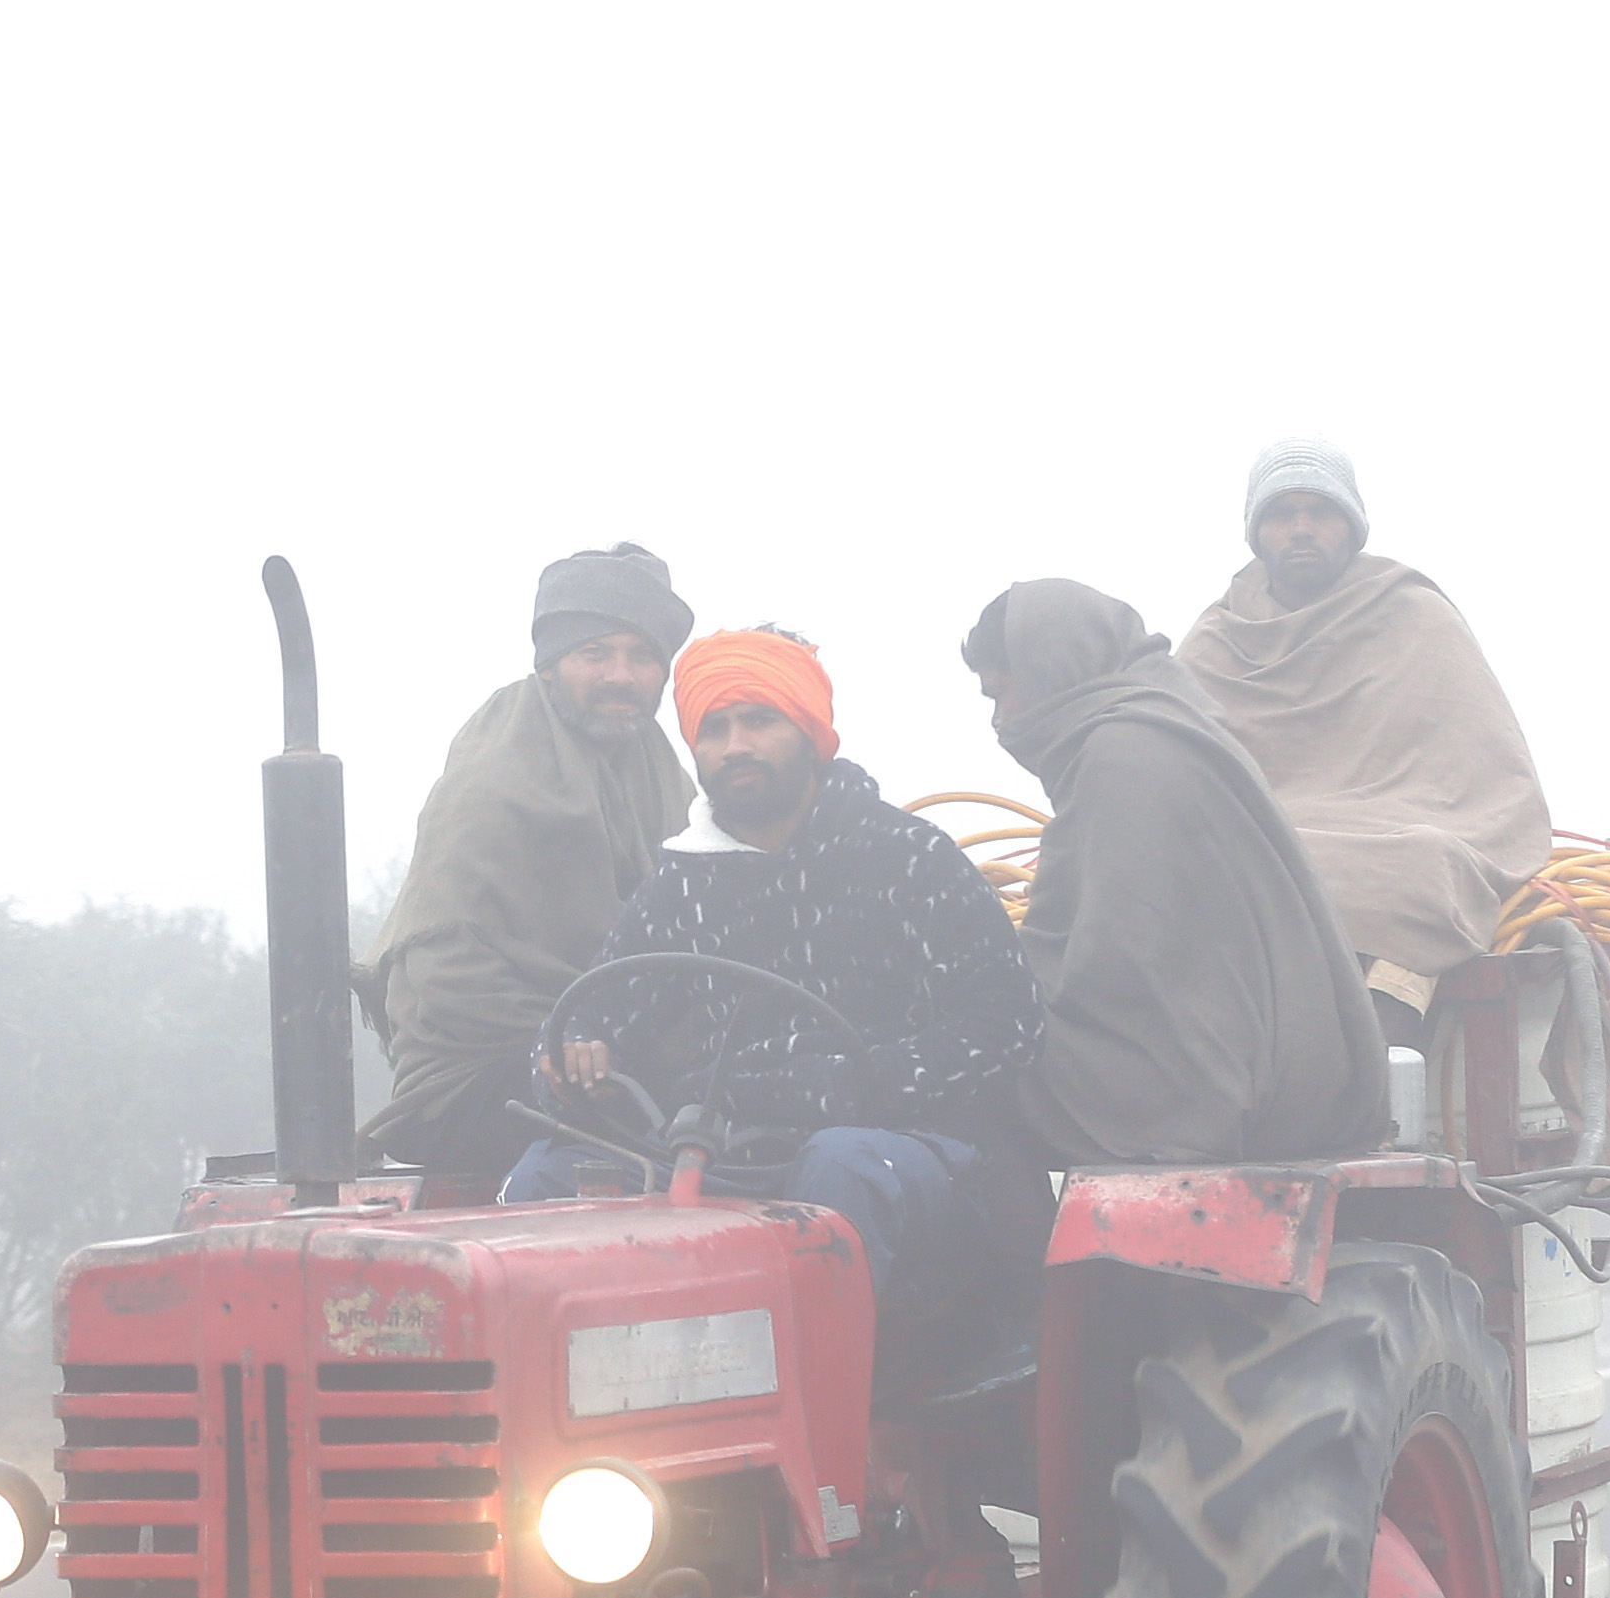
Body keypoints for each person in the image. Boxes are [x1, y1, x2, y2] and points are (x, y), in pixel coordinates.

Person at [505, 626, 1035, 1318]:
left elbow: (1007, 1024)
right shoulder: (684, 881)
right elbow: (598, 1014)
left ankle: (821, 1410)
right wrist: (568, 1067)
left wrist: (845, 1087)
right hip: (738, 1156)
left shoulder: (907, 856)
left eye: (759, 720)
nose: (736, 746)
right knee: (547, 1175)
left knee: (837, 1167)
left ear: (810, 732)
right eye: (714, 727)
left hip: (912, 1156)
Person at [965, 579, 1393, 1166]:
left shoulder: (1120, 758)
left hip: (1192, 1091)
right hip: (1284, 1075)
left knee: (969, 1069)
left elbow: (1111, 971)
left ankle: (1004, 1258)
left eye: (1000, 694)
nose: (999, 720)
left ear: (1050, 670)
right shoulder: (1173, 727)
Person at [1174, 440, 1550, 1043]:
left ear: (1350, 524)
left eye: (1319, 511)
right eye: (1282, 514)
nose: (1301, 529)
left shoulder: (1413, 614)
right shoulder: (1217, 639)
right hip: (1258, 838)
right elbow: (1178, 776)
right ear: (1256, 532)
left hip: (1394, 836)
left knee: (1427, 867)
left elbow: (1487, 780)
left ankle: (1380, 1063)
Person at [357, 541, 701, 1177]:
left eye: (642, 656)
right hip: (477, 1076)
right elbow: (450, 980)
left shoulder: (659, 771)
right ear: (549, 664)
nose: (620, 676)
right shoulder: (497, 774)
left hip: (617, 1052)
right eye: (594, 653)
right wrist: (573, 1044)